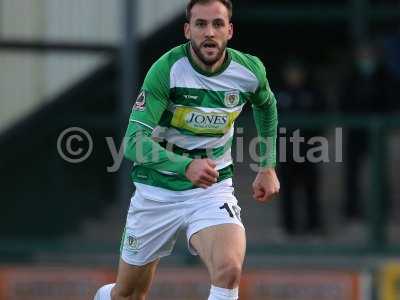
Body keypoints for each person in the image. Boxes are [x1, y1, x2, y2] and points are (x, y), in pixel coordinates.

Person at [94, 1, 279, 299]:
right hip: (157, 190)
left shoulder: (248, 71)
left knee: (229, 269)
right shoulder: (167, 70)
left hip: (212, 189)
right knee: (128, 294)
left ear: (229, 30)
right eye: (201, 24)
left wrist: (267, 165)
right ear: (187, 30)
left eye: (218, 24)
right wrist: (185, 165)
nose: (209, 32)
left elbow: (266, 106)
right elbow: (132, 141)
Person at [339, 41, 397, 221]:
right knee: (352, 172)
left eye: (369, 56)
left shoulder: (385, 77)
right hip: (355, 132)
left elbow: (392, 100)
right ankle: (352, 209)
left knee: (380, 170)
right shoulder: (351, 77)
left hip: (377, 133)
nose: (366, 61)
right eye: (363, 56)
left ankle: (383, 207)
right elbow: (343, 103)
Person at [277, 60, 324, 235]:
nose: (294, 76)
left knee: (311, 187)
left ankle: (313, 225)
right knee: (287, 189)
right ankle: (289, 227)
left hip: (308, 148)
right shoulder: (279, 94)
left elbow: (321, 117)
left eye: (297, 72)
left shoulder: (312, 93)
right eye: (291, 72)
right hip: (286, 148)